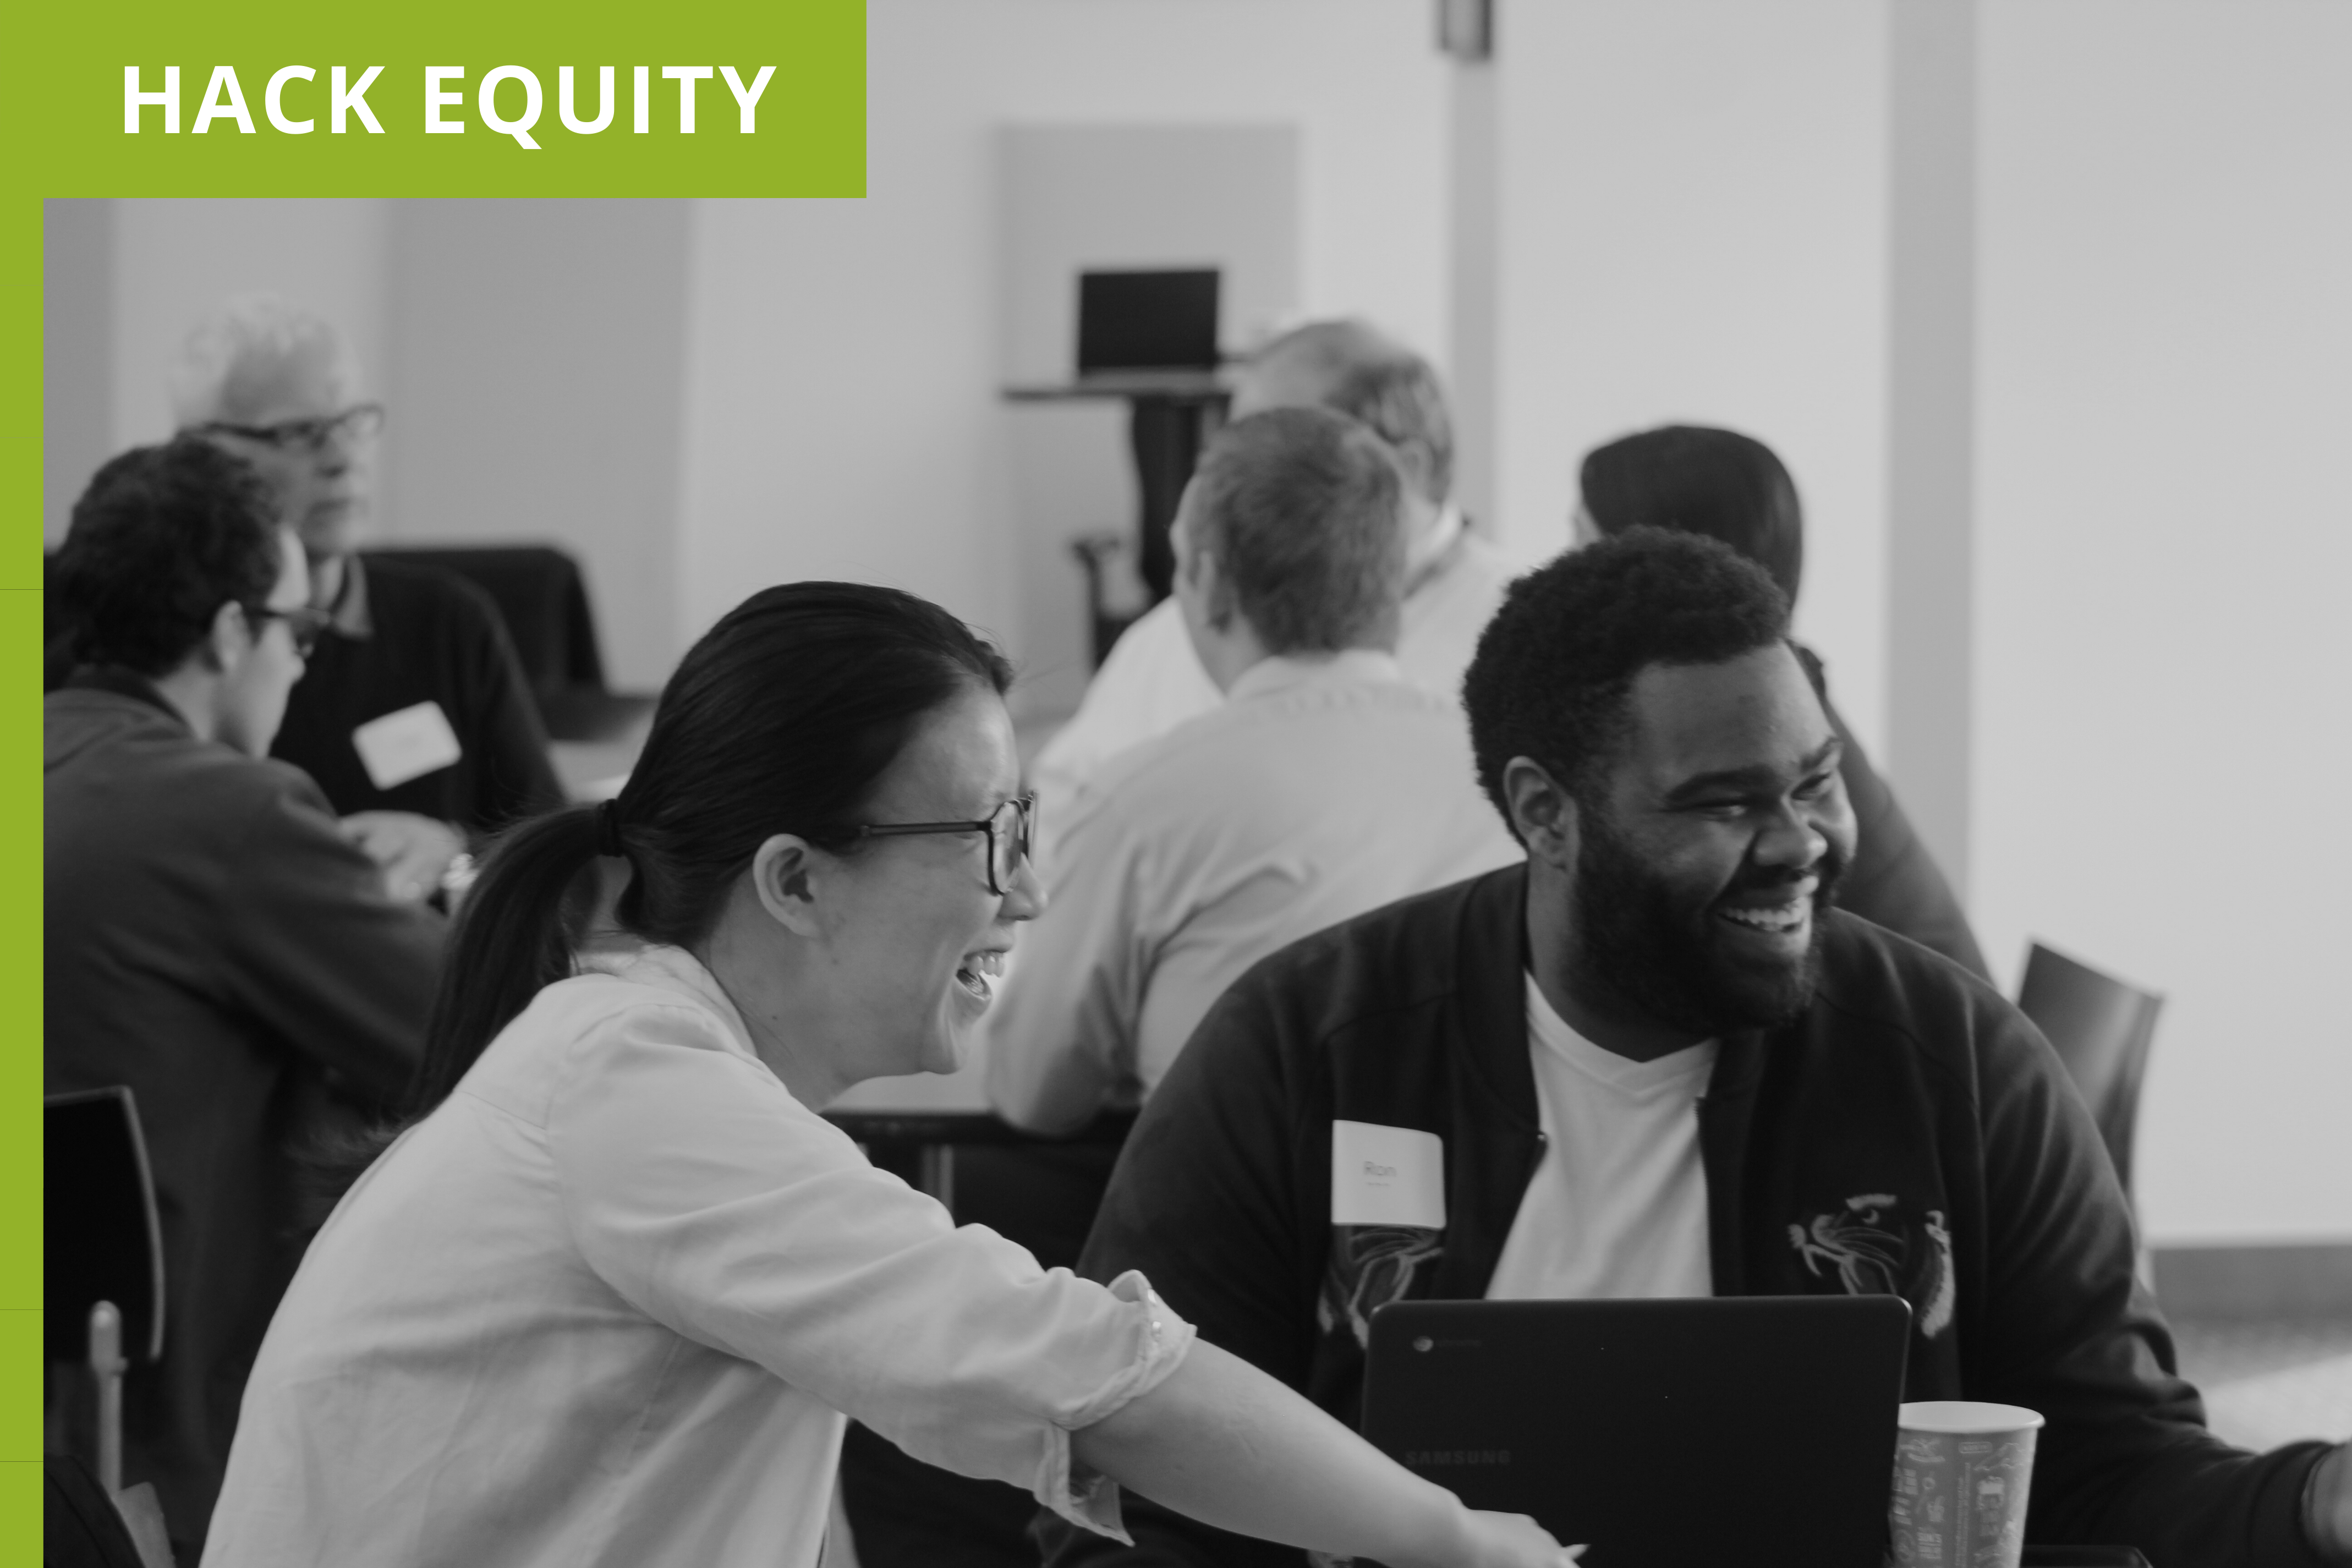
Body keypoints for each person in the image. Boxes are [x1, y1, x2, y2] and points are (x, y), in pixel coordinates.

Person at [201, 580, 1576, 1568]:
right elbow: (1094, 1375)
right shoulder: (638, 1092)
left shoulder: (642, 1068)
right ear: (794, 880)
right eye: (988, 837)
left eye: (1026, 824)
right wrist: (1450, 1536)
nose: (1030, 894)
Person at [1049, 530, 2351, 1568]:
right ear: (1543, 813)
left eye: (1813, 780)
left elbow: (2106, 1462)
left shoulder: (1947, 1058)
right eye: (1722, 802)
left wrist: (2314, 1501)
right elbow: (1129, 1470)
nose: (1797, 842)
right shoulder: (1308, 1050)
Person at [45, 439, 444, 1559]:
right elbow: (493, 1036)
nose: (303, 666)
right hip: (167, 1467)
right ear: (230, 632)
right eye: (298, 631)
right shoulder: (231, 817)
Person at [988, 407, 1522, 1134]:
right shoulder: (1507, 777)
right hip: (1482, 1218)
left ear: (1206, 581)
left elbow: (1034, 1093)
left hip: (1228, 1224)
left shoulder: (1141, 803)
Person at [1031, 319, 1514, 848]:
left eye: (1280, 454)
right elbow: (1065, 807)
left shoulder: (1513, 634)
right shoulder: (1182, 623)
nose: (1237, 482)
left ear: (1403, 468)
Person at [171, 294, 564, 901]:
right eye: (301, 433)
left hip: (424, 977)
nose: (344, 459)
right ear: (202, 453)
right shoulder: (160, 646)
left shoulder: (448, 621)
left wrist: (453, 848)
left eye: (353, 422)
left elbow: (563, 856)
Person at [1575, 424, 1988, 976]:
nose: (1569, 576)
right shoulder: (1775, 693)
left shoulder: (1759, 729)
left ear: (1660, 566)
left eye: (1583, 547)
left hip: (1911, 1035)